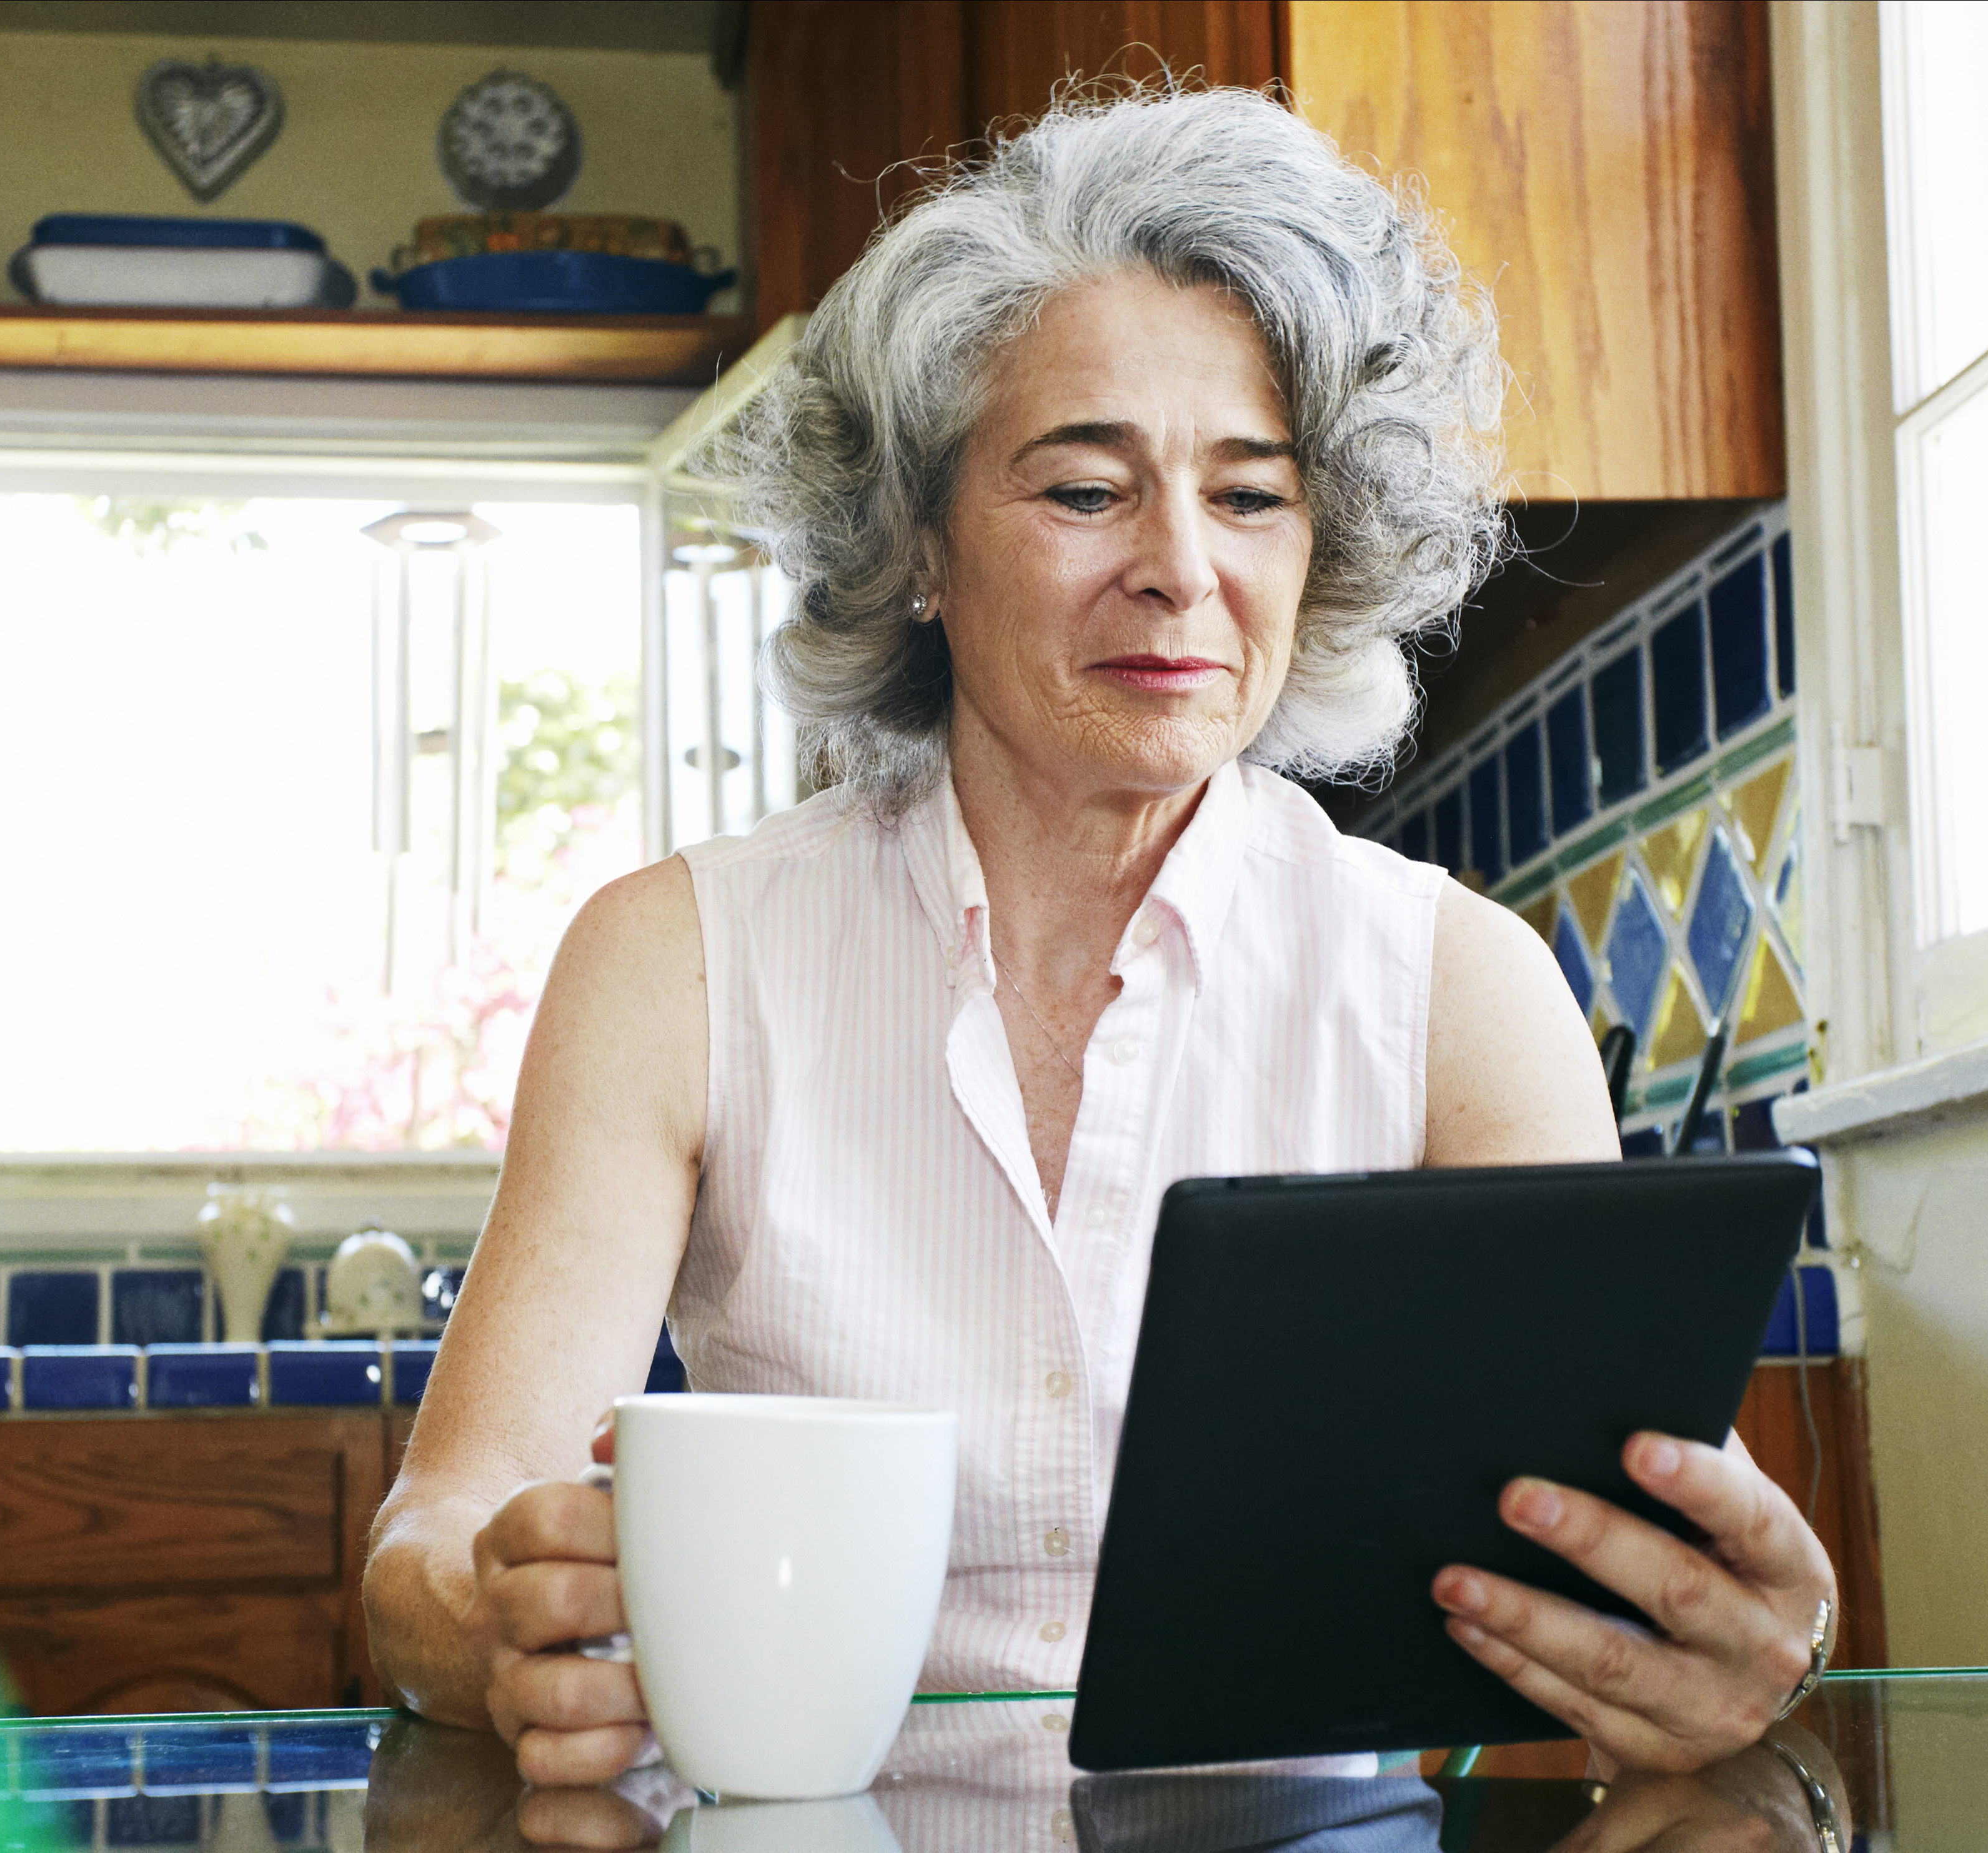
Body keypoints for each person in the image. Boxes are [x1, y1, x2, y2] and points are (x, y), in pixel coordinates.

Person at [361, 85, 1836, 1787]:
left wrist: (1734, 1648)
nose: (1179, 569)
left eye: (1253, 497)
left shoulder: (1461, 988)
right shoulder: (676, 960)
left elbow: (1627, 1581)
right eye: (1083, 490)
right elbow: (433, 1548)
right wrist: (486, 1624)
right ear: (919, 544)